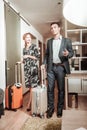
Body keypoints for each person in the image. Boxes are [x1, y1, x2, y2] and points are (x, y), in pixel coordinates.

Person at [42, 22, 74, 118]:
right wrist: (44, 63)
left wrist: (68, 54)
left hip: (61, 67)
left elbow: (71, 53)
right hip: (51, 68)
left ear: (59, 28)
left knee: (61, 90)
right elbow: (47, 54)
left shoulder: (67, 40)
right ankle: (51, 109)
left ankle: (59, 109)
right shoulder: (49, 41)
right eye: (51, 28)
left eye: (55, 27)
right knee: (50, 89)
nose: (53, 29)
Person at [22, 32, 40, 111]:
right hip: (26, 69)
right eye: (26, 37)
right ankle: (34, 103)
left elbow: (37, 57)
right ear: (24, 39)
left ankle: (30, 104)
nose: (28, 39)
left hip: (33, 69)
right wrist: (22, 60)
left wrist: (28, 56)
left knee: (33, 87)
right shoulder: (24, 49)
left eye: (29, 37)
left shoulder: (34, 46)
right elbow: (25, 59)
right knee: (29, 87)